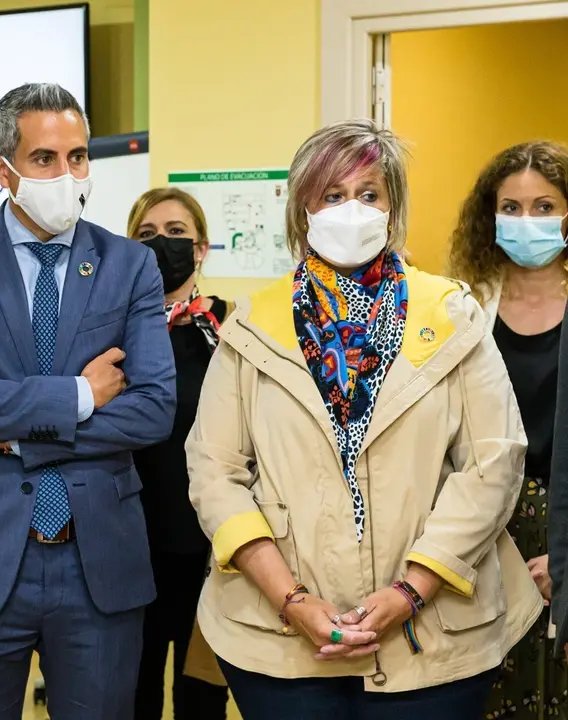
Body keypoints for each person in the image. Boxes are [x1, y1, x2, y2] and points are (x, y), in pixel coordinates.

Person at [186, 118, 543, 719]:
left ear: (392, 207)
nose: (351, 210)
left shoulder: (453, 315)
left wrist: (412, 589)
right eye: (332, 195)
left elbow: (495, 461)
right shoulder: (250, 327)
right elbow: (214, 472)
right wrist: (291, 600)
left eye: (369, 194)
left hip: (434, 640)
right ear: (303, 209)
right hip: (279, 646)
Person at [0, 82, 176, 718]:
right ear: (3, 169)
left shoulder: (130, 265)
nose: (67, 174)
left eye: (78, 157)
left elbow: (153, 408)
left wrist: (11, 427)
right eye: (45, 160)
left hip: (97, 562)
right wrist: (82, 394)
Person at [455, 142, 568, 718]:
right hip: (483, 530)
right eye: (513, 207)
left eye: (546, 206)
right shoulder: (464, 307)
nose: (529, 221)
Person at [126, 188, 231, 720]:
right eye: (146, 235)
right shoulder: (113, 332)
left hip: (209, 548)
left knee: (201, 699)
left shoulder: (229, 330)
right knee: (132, 693)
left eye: (174, 233)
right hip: (128, 545)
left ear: (201, 249)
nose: (160, 244)